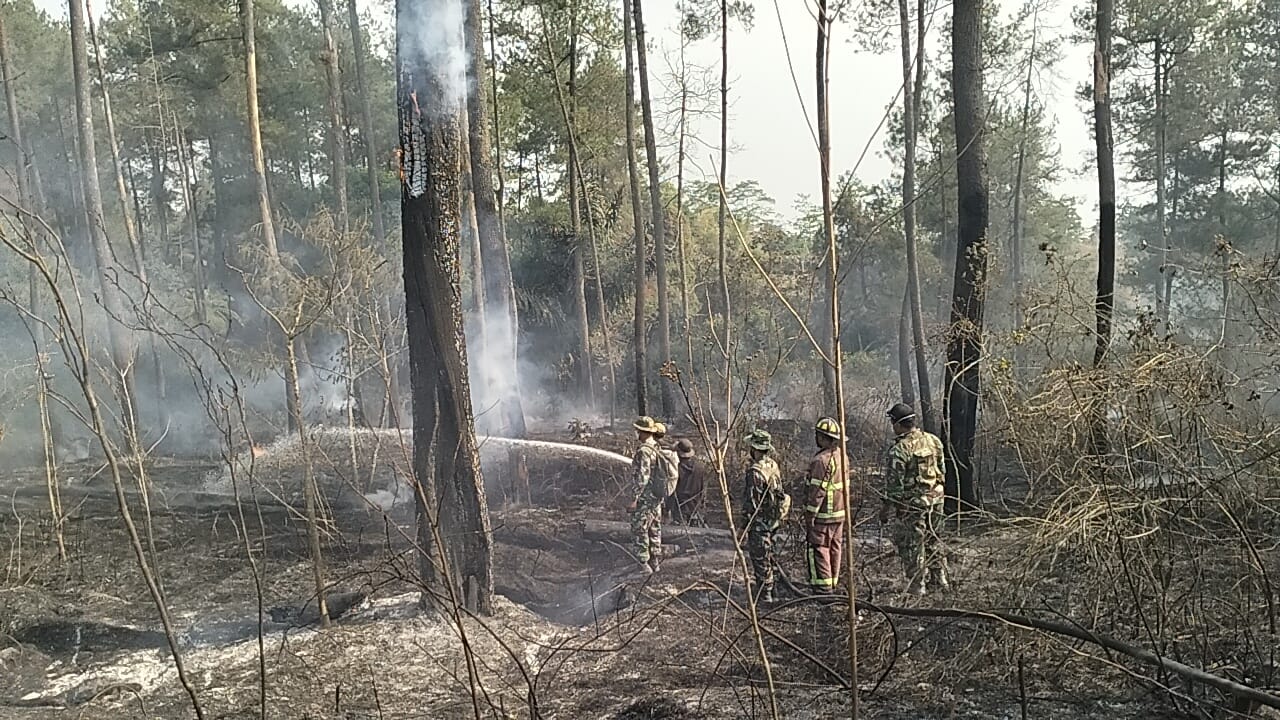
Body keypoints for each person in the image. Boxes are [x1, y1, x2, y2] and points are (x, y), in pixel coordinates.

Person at [879, 402, 949, 595]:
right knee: (934, 538)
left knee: (912, 543)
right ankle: (939, 578)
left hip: (913, 506)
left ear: (898, 424)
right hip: (936, 500)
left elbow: (894, 488)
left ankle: (917, 586)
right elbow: (942, 472)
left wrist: (885, 511)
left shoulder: (899, 450)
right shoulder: (933, 440)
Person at [802, 417, 847, 593]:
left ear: (822, 437)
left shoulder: (820, 461)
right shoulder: (842, 456)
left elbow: (817, 492)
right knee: (835, 548)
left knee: (820, 549)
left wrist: (810, 515)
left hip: (823, 516)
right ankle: (832, 582)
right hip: (839, 513)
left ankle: (823, 589)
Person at [741, 429, 786, 603]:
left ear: (755, 448)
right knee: (769, 554)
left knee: (759, 557)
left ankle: (765, 594)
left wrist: (742, 527)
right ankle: (771, 588)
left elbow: (751, 504)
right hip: (773, 520)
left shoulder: (755, 472)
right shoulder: (773, 465)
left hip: (760, 523)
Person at [626, 416, 666, 573]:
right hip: (656, 497)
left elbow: (643, 476)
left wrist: (634, 498)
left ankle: (643, 564)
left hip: (645, 498)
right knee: (654, 527)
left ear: (642, 432)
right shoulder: (656, 446)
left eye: (638, 430)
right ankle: (655, 562)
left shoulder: (644, 451)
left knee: (639, 529)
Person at [665, 439, 706, 526]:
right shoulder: (700, 467)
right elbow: (703, 489)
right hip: (695, 506)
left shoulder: (675, 468)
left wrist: (666, 508)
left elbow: (670, 490)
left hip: (679, 507)